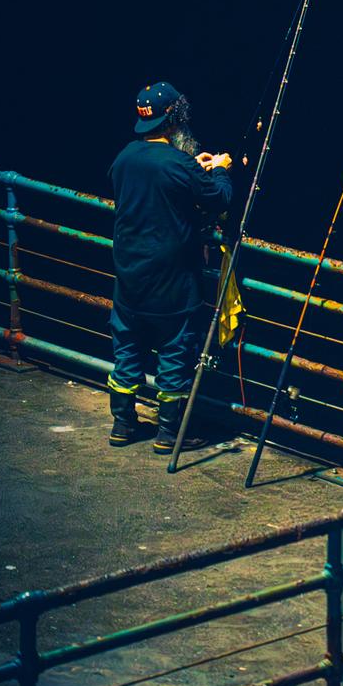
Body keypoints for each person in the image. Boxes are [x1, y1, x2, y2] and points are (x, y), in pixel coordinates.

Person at [108, 81, 233, 452]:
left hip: (129, 278)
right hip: (173, 283)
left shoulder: (125, 157)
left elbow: (153, 186)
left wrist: (192, 171)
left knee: (127, 349)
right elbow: (219, 198)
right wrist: (220, 169)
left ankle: (122, 424)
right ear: (174, 118)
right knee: (175, 352)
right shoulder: (179, 164)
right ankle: (169, 433)